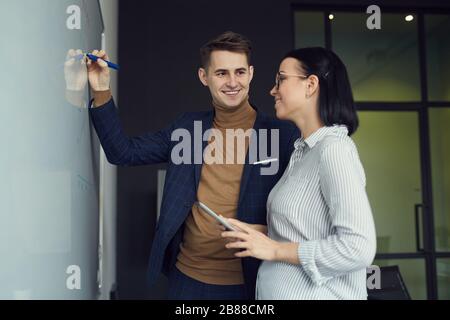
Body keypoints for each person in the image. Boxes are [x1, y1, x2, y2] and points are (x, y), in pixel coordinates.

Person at [82, 32, 299, 299]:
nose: (232, 82)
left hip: (252, 282)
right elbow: (123, 152)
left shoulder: (281, 136)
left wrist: (268, 232)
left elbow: (302, 216)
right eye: (221, 73)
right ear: (203, 77)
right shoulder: (187, 128)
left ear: (251, 73)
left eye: (240, 72)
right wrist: (101, 89)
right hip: (187, 280)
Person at [221, 47, 377, 300]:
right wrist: (258, 234)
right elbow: (304, 232)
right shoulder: (302, 153)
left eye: (281, 79)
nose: (273, 90)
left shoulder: (334, 150)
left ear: (311, 84)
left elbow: (357, 248)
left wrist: (274, 251)